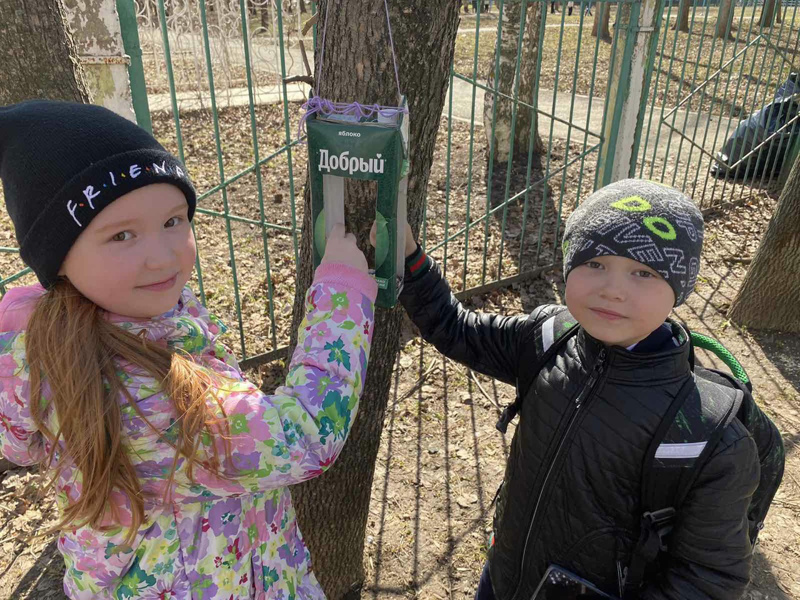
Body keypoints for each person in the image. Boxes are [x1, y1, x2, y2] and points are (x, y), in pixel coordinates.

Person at [0, 100, 377, 599]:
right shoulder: (140, 400)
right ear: (58, 257)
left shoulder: (61, 340)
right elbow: (305, 434)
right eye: (122, 235)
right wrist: (343, 291)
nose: (162, 256)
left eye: (174, 221)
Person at [382, 179, 760, 600]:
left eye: (644, 272)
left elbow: (707, 581)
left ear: (680, 288)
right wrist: (409, 256)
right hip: (504, 576)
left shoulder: (704, 435)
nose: (612, 289)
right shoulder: (547, 337)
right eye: (595, 263)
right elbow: (457, 329)